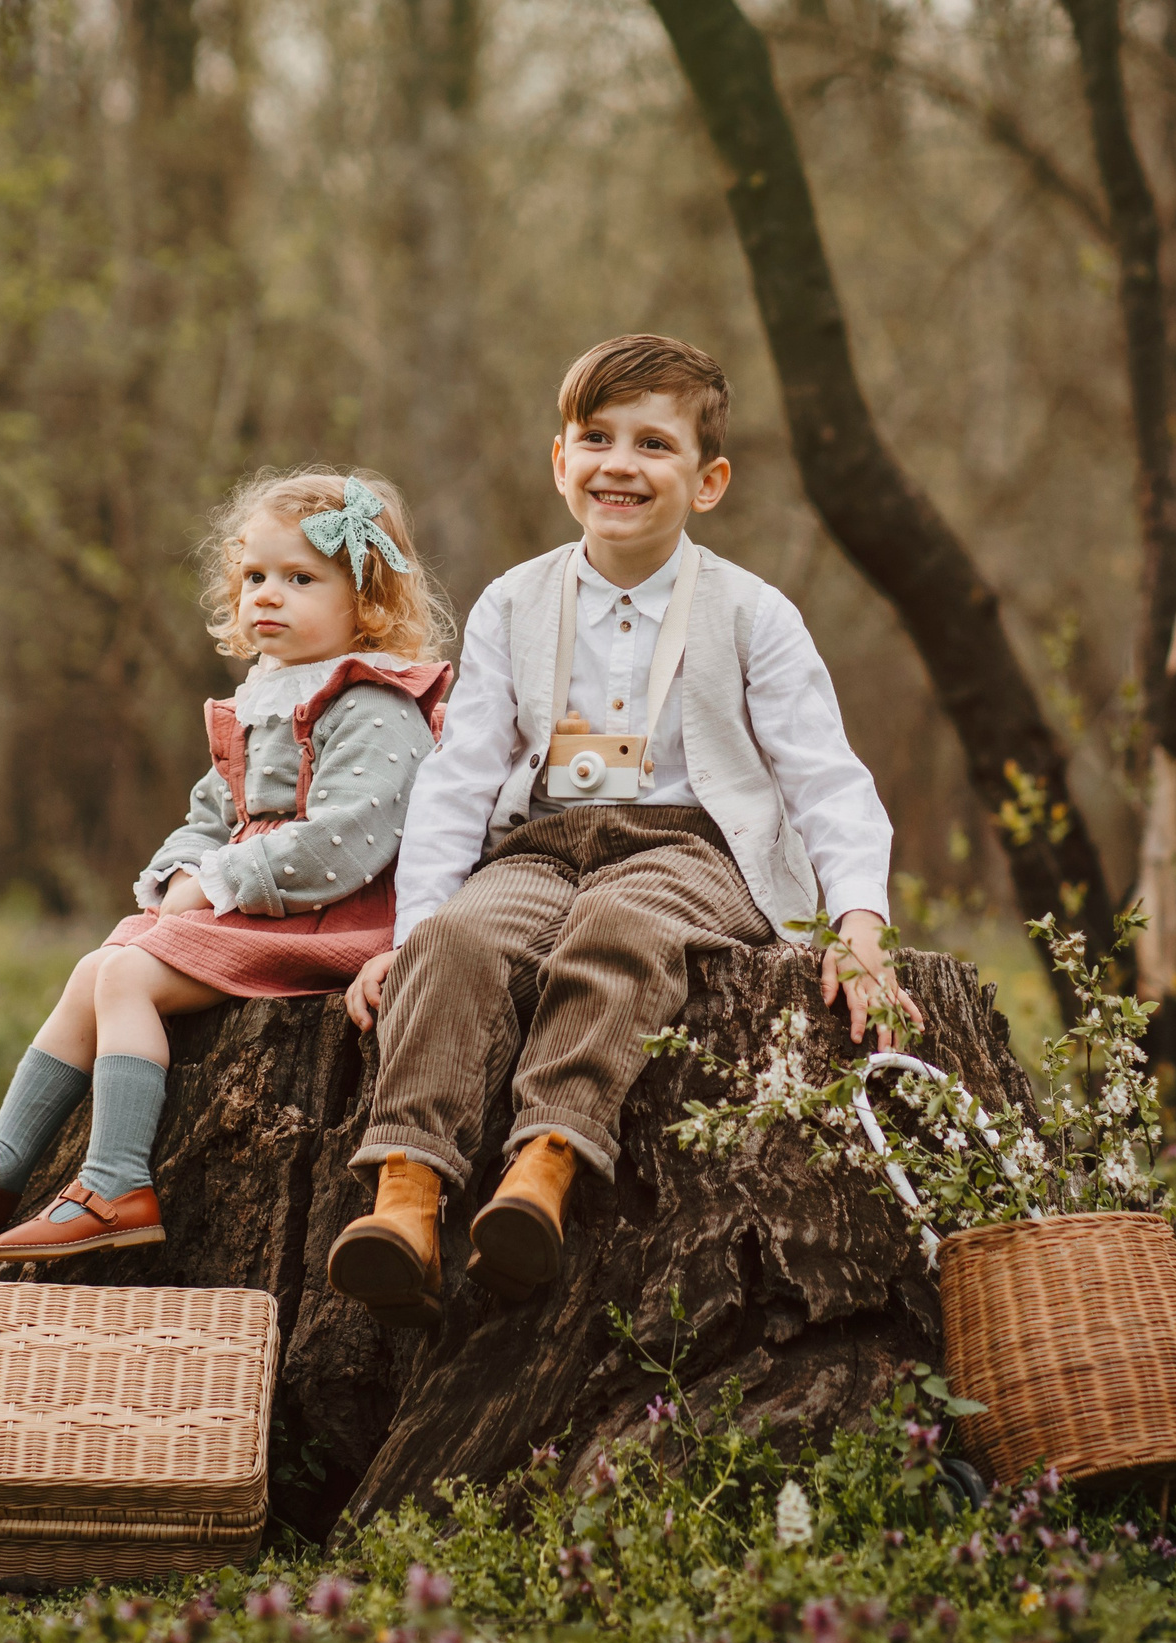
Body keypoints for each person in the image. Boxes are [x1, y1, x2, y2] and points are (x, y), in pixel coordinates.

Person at [325, 334, 922, 1330]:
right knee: (458, 942)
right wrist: (412, 927)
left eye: (654, 444)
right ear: (560, 461)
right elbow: (459, 776)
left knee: (619, 933)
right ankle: (407, 1194)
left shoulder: (753, 613)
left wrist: (859, 918)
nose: (620, 464)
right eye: (596, 438)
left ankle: (543, 1165)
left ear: (708, 480)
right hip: (543, 842)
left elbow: (826, 777)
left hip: (690, 848)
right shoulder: (515, 601)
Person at [0, 469, 451, 1261]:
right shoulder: (264, 697)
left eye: (300, 579)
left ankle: (115, 1184)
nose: (269, 595)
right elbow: (210, 816)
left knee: (126, 977)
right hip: (263, 910)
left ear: (367, 601)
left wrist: (220, 884)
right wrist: (177, 879)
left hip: (334, 920)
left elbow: (346, 842)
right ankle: (5, 1162)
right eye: (255, 577)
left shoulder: (374, 703)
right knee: (97, 966)